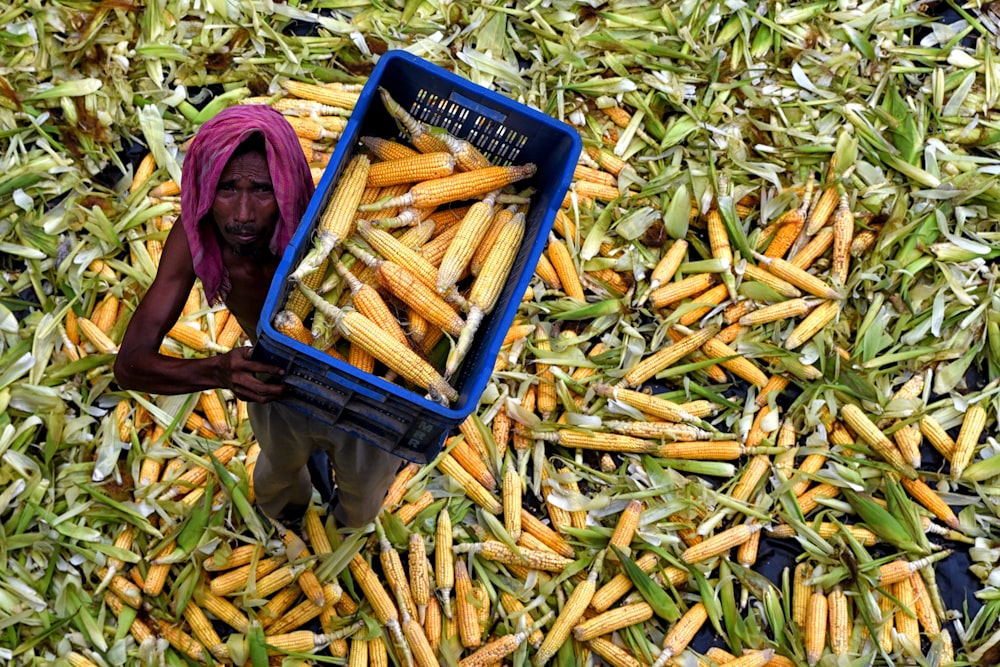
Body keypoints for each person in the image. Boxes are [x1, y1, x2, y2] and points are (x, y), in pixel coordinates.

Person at [114, 105, 403, 529]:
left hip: (364, 392)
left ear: (286, 189)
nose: (243, 214)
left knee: (362, 497)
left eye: (263, 191)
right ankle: (289, 520)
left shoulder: (327, 226)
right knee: (278, 477)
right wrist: (220, 371)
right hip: (276, 387)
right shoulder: (197, 236)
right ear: (204, 187)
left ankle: (345, 527)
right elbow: (129, 364)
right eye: (227, 189)